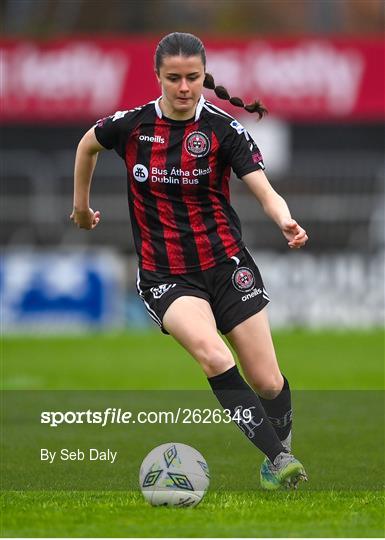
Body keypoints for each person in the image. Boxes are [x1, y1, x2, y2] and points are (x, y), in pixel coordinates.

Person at [71, 32, 308, 490]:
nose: (184, 87)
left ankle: (279, 450)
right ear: (157, 76)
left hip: (226, 264)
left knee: (268, 381)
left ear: (204, 75)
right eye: (174, 78)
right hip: (166, 274)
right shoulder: (132, 125)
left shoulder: (223, 129)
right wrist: (81, 207)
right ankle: (279, 461)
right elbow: (87, 145)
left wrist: (285, 219)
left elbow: (262, 186)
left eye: (193, 77)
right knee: (213, 355)